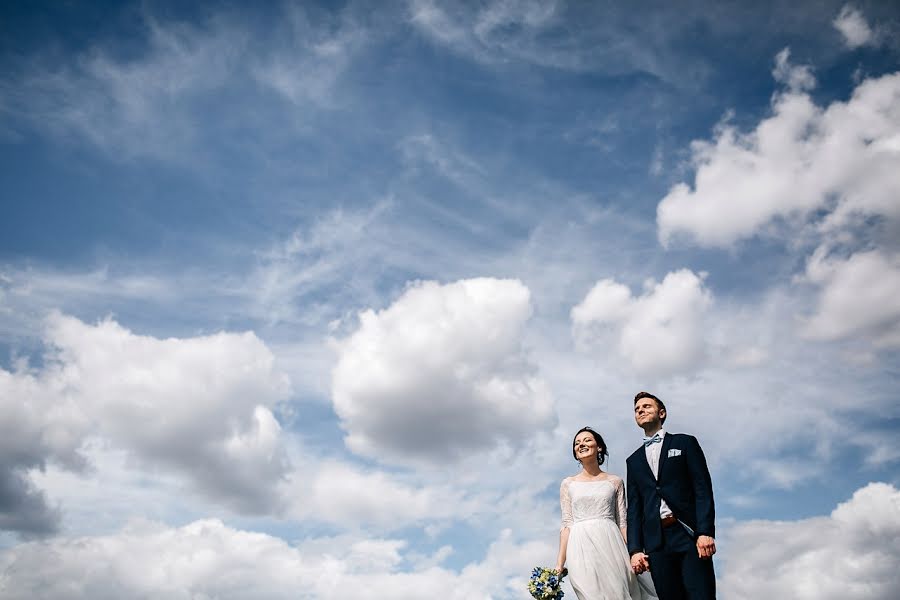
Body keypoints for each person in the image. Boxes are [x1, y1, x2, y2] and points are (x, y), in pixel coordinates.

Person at [626, 392, 716, 600]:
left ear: (662, 413)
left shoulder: (685, 443)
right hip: (656, 542)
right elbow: (635, 509)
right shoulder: (633, 460)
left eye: (647, 406)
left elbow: (702, 490)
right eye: (637, 409)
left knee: (701, 595)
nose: (641, 410)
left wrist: (704, 531)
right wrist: (635, 550)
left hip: (688, 534)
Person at [555, 426, 658, 600]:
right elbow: (566, 525)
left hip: (611, 544)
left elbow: (623, 523)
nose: (581, 444)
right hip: (579, 546)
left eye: (587, 440)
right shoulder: (568, 484)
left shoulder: (615, 482)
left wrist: (634, 552)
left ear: (599, 447)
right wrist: (559, 565)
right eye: (577, 443)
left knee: (618, 592)